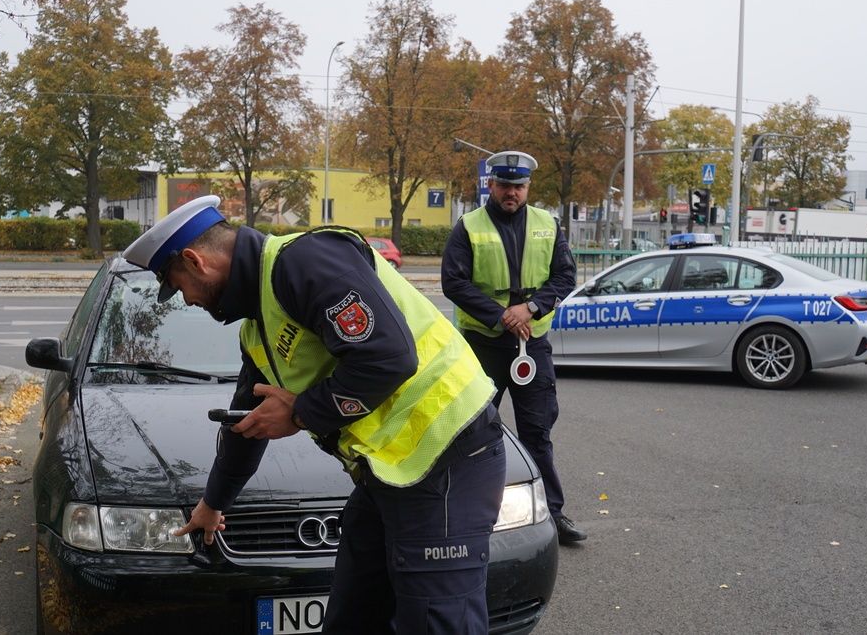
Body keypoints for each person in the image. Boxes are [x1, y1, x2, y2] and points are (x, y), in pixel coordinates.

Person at [122, 195, 506, 634]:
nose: (186, 300)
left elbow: (388, 358)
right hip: (389, 475)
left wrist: (302, 413)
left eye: (177, 286)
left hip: (451, 458)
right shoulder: (258, 326)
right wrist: (212, 504)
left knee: (437, 624)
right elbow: (247, 423)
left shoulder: (301, 261)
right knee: (352, 618)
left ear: (195, 261)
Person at [441, 150, 586, 546]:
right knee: (470, 429)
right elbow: (454, 283)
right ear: (491, 184)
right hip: (483, 344)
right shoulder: (468, 226)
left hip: (531, 344)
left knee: (537, 432)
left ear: (528, 188)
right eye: (505, 185)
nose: (512, 193)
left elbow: (564, 276)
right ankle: (465, 514)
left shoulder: (547, 224)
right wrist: (500, 314)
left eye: (519, 187)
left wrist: (531, 307)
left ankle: (553, 515)